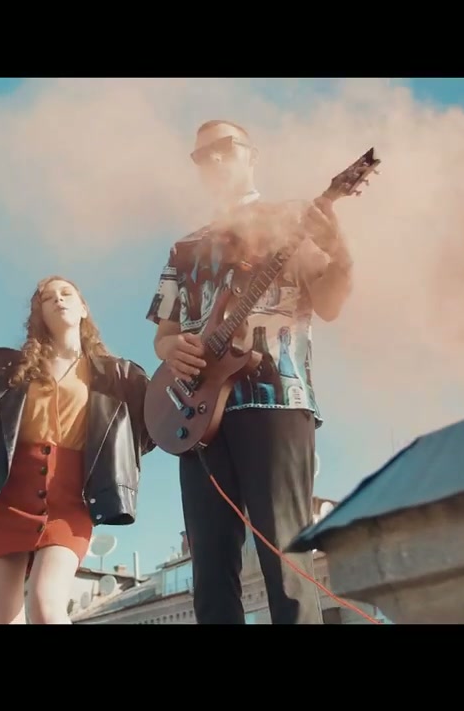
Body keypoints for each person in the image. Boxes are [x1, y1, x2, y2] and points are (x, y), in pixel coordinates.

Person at [145, 120, 353, 624]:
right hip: (197, 413)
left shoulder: (292, 219)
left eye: (224, 148)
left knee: (286, 561)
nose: (213, 159)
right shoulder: (184, 248)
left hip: (277, 399)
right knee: (210, 572)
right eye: (202, 155)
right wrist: (173, 350)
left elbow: (329, 304)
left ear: (251, 155)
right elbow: (164, 334)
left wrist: (339, 248)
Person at [0, 265, 154, 624]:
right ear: (39, 314)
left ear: (83, 308)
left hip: (71, 503)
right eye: (48, 298)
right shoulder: (5, 369)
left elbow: (152, 427)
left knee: (46, 606)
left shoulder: (120, 376)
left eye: (66, 293)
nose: (58, 299)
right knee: (3, 619)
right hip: (2, 498)